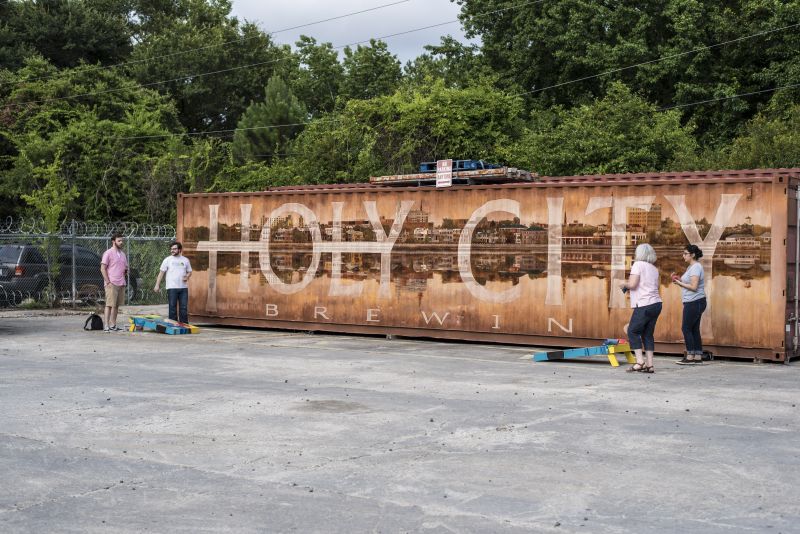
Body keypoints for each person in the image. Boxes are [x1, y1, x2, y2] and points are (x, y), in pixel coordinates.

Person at [620, 243, 662, 373]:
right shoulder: (654, 269)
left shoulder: (638, 265)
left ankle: (639, 362)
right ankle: (650, 365)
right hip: (656, 303)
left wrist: (623, 284)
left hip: (644, 304)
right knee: (648, 334)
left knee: (632, 331)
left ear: (639, 254)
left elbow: (633, 284)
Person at [672, 244, 707, 365]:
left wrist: (679, 283)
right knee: (694, 329)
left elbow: (693, 287)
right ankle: (697, 356)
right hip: (695, 301)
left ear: (692, 255)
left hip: (694, 302)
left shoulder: (696, 267)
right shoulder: (691, 267)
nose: (683, 256)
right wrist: (679, 280)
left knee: (686, 328)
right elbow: (689, 282)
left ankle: (690, 356)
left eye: (685, 253)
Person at [154, 241, 192, 323]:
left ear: (180, 250)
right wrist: (157, 285)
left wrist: (187, 276)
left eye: (174, 249)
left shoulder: (185, 260)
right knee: (172, 307)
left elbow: (189, 271)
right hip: (172, 287)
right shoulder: (167, 260)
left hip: (183, 288)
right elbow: (161, 273)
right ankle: (173, 324)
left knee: (183, 308)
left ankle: (184, 325)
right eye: (171, 249)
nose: (172, 250)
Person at [100, 233, 128, 333]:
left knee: (116, 305)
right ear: (113, 241)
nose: (121, 242)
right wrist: (108, 281)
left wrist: (126, 271)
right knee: (109, 304)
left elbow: (125, 267)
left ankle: (113, 325)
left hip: (121, 282)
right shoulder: (108, 253)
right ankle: (106, 325)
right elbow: (103, 268)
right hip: (111, 283)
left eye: (122, 241)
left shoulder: (123, 254)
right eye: (119, 241)